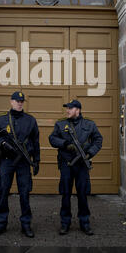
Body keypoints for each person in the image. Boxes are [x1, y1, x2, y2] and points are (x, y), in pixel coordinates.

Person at [0, 91, 40, 238]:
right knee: (3, 191)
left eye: (21, 101)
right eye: (17, 101)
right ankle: (1, 223)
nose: (19, 103)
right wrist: (3, 143)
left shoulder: (30, 120)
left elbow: (36, 142)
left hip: (23, 162)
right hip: (7, 161)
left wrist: (37, 160)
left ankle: (26, 224)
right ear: (11, 101)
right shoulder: (1, 120)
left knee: (24, 193)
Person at [49, 100, 103, 236]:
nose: (67, 110)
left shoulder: (89, 124)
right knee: (66, 194)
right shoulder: (61, 123)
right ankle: (65, 223)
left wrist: (89, 153)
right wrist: (65, 144)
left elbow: (98, 140)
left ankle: (85, 222)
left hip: (82, 165)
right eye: (67, 108)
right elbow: (52, 139)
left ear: (78, 110)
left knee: (82, 194)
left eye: (70, 108)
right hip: (66, 164)